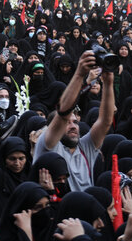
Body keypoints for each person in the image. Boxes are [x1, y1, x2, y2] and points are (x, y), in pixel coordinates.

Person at [33, 51, 114, 192]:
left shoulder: (85, 147)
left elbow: (106, 121)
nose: (73, 126)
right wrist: (79, 74)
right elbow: (63, 113)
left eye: (75, 122)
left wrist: (108, 83)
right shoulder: (48, 146)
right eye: (68, 123)